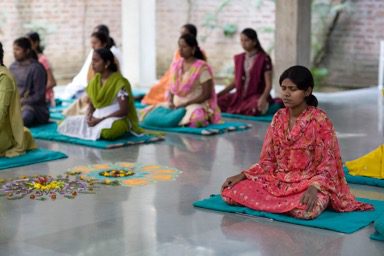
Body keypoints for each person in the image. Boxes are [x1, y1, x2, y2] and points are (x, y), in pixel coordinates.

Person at [221, 66, 373, 219]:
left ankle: (300, 201)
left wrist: (314, 188)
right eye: (284, 88)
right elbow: (267, 160)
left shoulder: (320, 120)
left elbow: (328, 164)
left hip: (309, 184)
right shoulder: (278, 117)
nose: (286, 94)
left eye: (292, 89)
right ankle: (281, 204)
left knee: (306, 210)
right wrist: (243, 175)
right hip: (277, 181)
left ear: (307, 91)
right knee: (230, 192)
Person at [58, 48, 142, 140]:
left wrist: (101, 119)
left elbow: (124, 111)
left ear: (107, 63)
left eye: (96, 61)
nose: (92, 64)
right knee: (66, 124)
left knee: (107, 133)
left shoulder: (120, 83)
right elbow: (92, 104)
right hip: (96, 117)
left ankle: (123, 127)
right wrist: (89, 115)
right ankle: (94, 128)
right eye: (92, 61)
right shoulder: (94, 81)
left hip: (116, 118)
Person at [142, 34, 220, 127]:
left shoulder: (202, 67)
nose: (180, 49)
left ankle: (175, 120)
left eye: (184, 47)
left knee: (197, 119)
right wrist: (170, 102)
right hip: (175, 106)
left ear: (193, 49)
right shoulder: (176, 65)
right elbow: (171, 88)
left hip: (194, 105)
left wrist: (186, 104)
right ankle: (174, 119)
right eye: (179, 46)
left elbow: (206, 94)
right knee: (149, 114)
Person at [217, 28, 274, 116]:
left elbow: (269, 85)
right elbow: (236, 82)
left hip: (255, 95)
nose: (243, 43)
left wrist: (263, 98)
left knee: (255, 106)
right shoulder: (239, 58)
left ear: (254, 42)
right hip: (239, 96)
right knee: (217, 102)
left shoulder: (264, 58)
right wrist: (219, 94)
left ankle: (258, 106)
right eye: (241, 40)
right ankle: (240, 108)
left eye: (246, 40)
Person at [141, 24, 201, 105]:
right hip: (173, 76)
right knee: (155, 89)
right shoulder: (178, 53)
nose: (181, 36)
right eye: (181, 33)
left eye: (184, 33)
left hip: (185, 80)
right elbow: (173, 68)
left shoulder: (200, 62)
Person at [63, 24, 122, 100]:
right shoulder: (94, 77)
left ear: (107, 64)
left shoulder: (112, 57)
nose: (92, 46)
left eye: (95, 43)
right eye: (91, 43)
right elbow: (89, 80)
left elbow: (122, 108)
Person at [0, 42, 36, 157]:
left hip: (3, 133)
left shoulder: (4, 78)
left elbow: (1, 114)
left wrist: (25, 101)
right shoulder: (13, 67)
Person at [9, 37, 49, 127]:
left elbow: (39, 95)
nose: (14, 52)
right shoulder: (13, 67)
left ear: (27, 51)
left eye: (18, 49)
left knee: (24, 117)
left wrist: (22, 101)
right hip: (14, 105)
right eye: (14, 49)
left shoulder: (36, 68)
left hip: (33, 108)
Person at [27, 32, 57, 107]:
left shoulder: (42, 60)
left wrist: (37, 91)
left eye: (28, 42)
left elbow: (52, 82)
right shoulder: (28, 61)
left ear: (36, 43)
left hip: (44, 100)